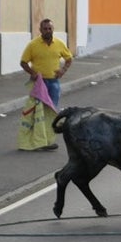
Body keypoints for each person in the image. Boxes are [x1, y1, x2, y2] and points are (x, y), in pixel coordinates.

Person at [19, 18, 73, 151]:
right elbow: (23, 62)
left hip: (54, 83)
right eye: (45, 29)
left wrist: (63, 71)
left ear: (53, 29)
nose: (48, 31)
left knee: (51, 113)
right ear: (40, 30)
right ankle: (34, 142)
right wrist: (32, 73)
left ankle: (48, 141)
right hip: (39, 85)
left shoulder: (59, 44)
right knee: (37, 114)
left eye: (50, 28)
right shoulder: (33, 45)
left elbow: (69, 58)